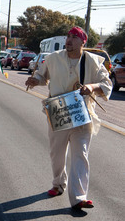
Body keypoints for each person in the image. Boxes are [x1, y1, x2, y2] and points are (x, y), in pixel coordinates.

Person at [25, 26, 112, 209]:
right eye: (68, 37)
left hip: (82, 115)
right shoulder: (53, 58)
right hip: (58, 113)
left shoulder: (94, 61)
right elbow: (43, 77)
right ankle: (58, 184)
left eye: (74, 37)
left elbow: (106, 84)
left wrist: (92, 87)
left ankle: (79, 197)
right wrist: (35, 80)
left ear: (83, 42)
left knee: (80, 154)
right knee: (57, 154)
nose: (69, 40)